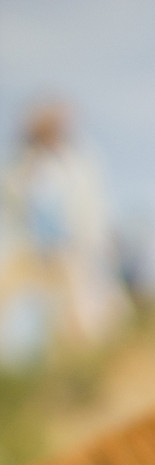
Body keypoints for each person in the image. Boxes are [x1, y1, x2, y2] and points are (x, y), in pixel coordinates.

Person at [0, 102, 127, 359]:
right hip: (30, 248)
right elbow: (11, 200)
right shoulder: (22, 163)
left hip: (71, 249)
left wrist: (100, 243)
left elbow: (94, 206)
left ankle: (75, 365)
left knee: (75, 313)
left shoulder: (80, 162)